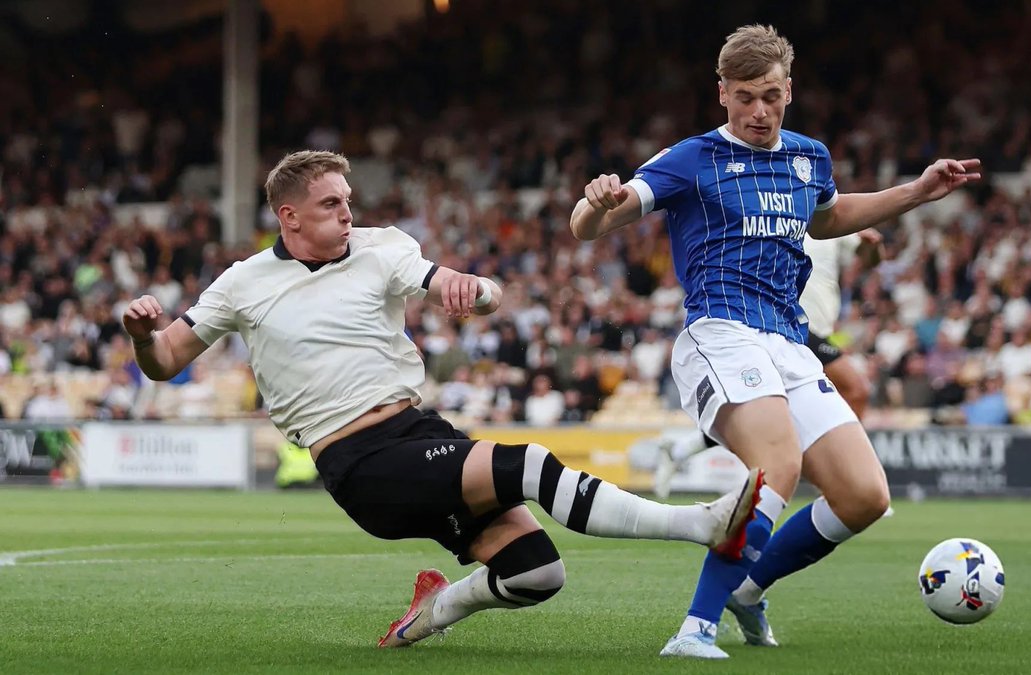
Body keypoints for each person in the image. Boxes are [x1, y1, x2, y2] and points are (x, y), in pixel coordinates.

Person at [123, 150, 762, 650]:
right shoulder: (243, 283)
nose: (348, 214)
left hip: (418, 431)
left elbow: (461, 286)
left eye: (348, 201)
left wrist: (472, 288)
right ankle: (699, 525)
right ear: (288, 217)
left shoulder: (382, 248)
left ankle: (433, 611)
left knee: (536, 574)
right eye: (329, 205)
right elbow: (167, 360)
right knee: (528, 465)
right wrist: (142, 338)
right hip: (358, 462)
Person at [570, 25, 980, 659]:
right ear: (722, 95)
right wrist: (595, 204)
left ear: (788, 90)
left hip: (789, 343)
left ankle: (748, 591)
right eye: (743, 98)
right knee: (779, 464)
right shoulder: (691, 158)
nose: (758, 111)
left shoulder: (809, 157)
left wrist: (918, 192)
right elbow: (588, 226)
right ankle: (694, 629)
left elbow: (830, 216)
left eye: (769, 96)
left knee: (863, 496)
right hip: (721, 333)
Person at [652, 228, 883, 499]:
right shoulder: (774, 213)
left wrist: (873, 246)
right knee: (857, 388)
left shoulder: (827, 215)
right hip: (788, 324)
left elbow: (869, 259)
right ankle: (840, 470)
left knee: (772, 408)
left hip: (814, 330)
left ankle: (679, 451)